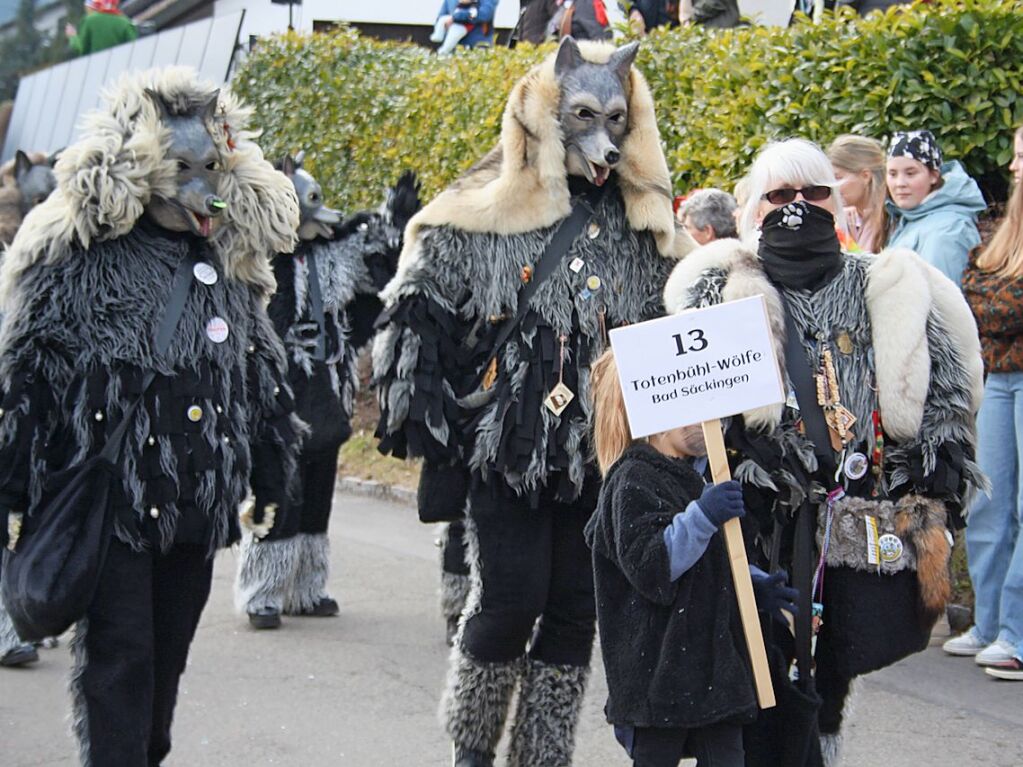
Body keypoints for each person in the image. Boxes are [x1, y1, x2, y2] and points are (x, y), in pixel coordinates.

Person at [373, 37, 693, 767]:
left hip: (598, 459)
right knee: (510, 599)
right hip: (507, 449)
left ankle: (541, 755)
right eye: (583, 116)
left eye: (616, 120)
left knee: (577, 611)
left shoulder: (646, 233)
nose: (602, 139)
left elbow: (675, 322)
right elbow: (419, 298)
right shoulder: (483, 213)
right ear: (546, 117)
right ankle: (472, 747)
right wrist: (435, 413)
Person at [0, 68, 302, 764]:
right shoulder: (80, 259)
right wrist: (13, 490)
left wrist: (273, 473)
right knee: (120, 661)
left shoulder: (227, 262)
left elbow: (256, 375)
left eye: (209, 169)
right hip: (114, 505)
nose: (201, 190)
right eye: (181, 169)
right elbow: (30, 375)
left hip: (195, 503)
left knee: (165, 666)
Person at [664, 138, 983, 765]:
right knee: (751, 669)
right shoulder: (715, 294)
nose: (797, 208)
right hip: (753, 519)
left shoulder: (887, 285)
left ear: (836, 201)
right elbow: (676, 413)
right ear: (755, 208)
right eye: (780, 195)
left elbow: (949, 394)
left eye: (813, 193)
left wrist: (916, 486)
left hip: (855, 517)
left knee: (833, 670)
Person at [585, 349, 798, 767]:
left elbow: (712, 561)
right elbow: (653, 566)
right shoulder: (633, 479)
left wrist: (751, 587)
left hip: (714, 671)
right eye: (693, 408)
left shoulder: (699, 475)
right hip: (659, 675)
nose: (711, 422)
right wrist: (702, 516)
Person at [235, 159, 418, 628]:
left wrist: (397, 217)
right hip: (277, 389)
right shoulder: (253, 259)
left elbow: (380, 264)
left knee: (317, 493)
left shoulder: (333, 254)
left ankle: (306, 588)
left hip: (326, 385)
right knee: (277, 491)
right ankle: (262, 593)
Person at [949, 124, 1023, 681]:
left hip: (1010, 370)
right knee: (991, 504)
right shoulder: (1003, 228)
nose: (1015, 167)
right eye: (1016, 155)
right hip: (999, 376)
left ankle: (1016, 633)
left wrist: (1000, 302)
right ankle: (990, 621)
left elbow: (995, 303)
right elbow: (975, 296)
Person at [886, 129, 985, 284]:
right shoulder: (911, 218)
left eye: (910, 173)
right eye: (892, 174)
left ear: (934, 175)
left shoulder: (948, 231)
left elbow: (941, 303)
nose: (900, 183)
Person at [827, 134, 887, 253]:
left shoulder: (890, 220)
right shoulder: (847, 219)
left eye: (838, 178)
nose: (832, 187)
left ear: (865, 176)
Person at [65, 0, 137, 56]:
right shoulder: (125, 22)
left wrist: (73, 37)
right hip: (121, 71)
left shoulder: (90, 21)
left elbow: (81, 49)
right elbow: (134, 48)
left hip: (97, 69)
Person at [432, 0, 499, 52]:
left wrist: (457, 16)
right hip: (453, 48)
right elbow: (441, 17)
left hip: (477, 47)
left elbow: (485, 15)